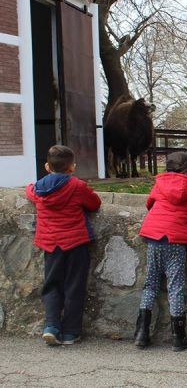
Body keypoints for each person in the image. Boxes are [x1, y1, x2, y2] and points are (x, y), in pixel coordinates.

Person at [26, 145, 101, 346]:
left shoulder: (39, 188)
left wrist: (28, 188)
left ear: (47, 167)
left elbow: (31, 193)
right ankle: (70, 332)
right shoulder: (77, 186)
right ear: (72, 168)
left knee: (52, 285)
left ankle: (51, 326)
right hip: (76, 243)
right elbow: (94, 204)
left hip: (50, 245)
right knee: (74, 286)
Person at [135, 152, 187, 352]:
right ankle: (178, 336)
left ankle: (141, 333)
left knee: (150, 284)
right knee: (176, 286)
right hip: (176, 239)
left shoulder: (160, 182)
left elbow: (149, 204)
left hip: (154, 236)